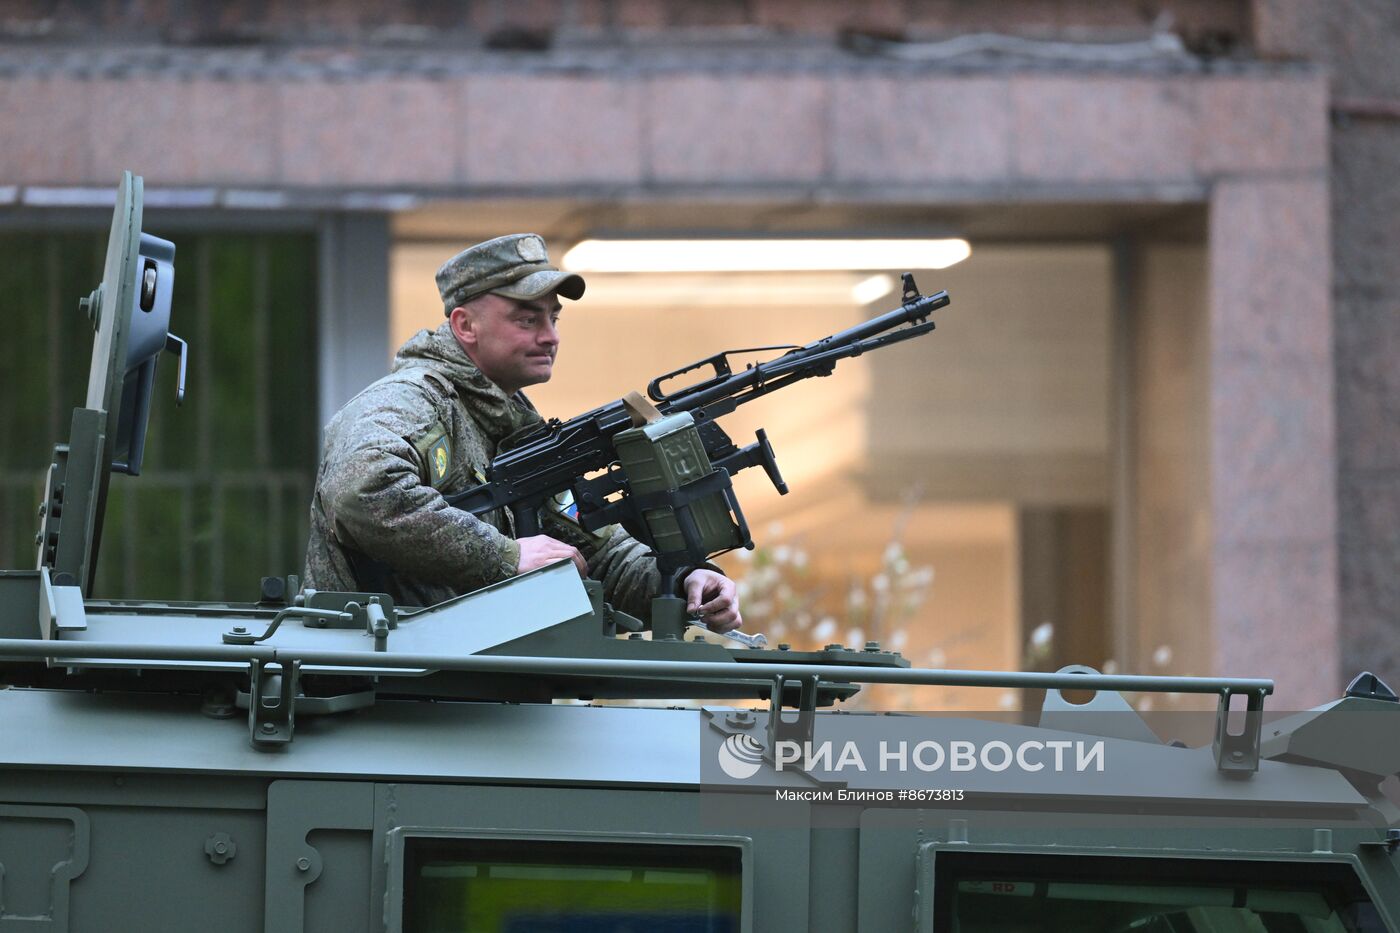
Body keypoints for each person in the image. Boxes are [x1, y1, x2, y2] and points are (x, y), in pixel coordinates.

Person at [302, 233, 741, 631]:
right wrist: (505, 557)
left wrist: (685, 582)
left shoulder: (509, 423)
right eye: (527, 320)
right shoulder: (412, 402)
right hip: (381, 686)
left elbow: (596, 549)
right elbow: (362, 493)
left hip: (468, 688)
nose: (550, 337)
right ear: (465, 326)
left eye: (554, 318)